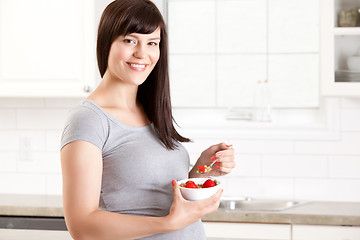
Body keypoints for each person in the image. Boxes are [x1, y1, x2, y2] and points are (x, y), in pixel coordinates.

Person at [60, 0, 236, 239]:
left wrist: (201, 171)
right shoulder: (89, 120)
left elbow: (159, 196)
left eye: (152, 43)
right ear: (106, 43)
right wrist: (168, 224)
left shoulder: (151, 111)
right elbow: (82, 226)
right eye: (130, 40)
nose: (142, 53)